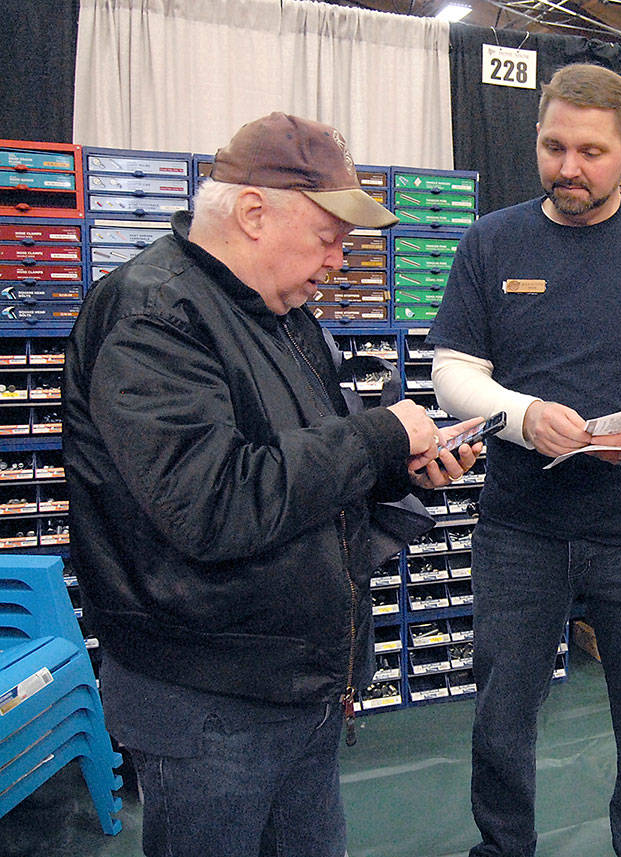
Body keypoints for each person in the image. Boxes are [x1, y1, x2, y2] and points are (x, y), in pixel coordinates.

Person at [64, 112, 482, 857]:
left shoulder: (281, 312)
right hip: (209, 700)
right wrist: (382, 434)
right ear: (253, 211)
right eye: (329, 237)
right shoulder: (153, 316)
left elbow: (304, 455)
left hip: (299, 681)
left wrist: (398, 465)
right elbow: (213, 503)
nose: (339, 259)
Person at [428, 64, 621, 857]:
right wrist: (521, 416)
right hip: (520, 531)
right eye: (553, 147)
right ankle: (503, 848)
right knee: (501, 719)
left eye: (592, 152)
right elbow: (451, 370)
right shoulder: (492, 239)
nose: (569, 168)